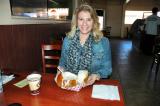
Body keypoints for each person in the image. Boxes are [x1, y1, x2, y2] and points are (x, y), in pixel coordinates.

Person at [57, 4, 112, 90]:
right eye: (81, 19)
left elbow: (107, 69)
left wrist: (96, 75)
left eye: (88, 19)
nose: (84, 23)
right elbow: (62, 63)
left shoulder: (103, 42)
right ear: (76, 21)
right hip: (70, 85)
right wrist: (59, 72)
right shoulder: (67, 40)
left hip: (92, 87)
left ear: (93, 21)